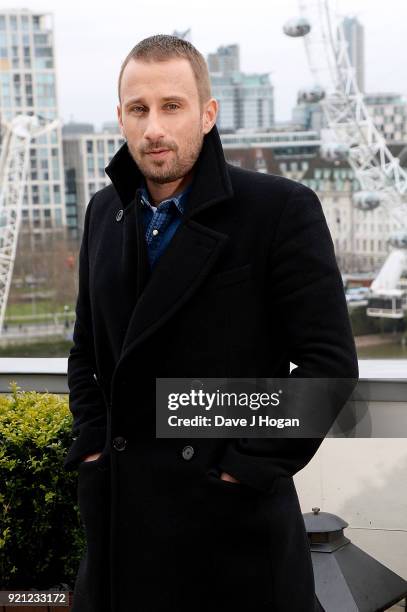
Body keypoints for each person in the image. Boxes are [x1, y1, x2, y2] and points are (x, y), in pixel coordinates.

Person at [63, 34, 359, 612]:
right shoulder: (104, 211)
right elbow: (85, 351)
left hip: (232, 534)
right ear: (120, 117)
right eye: (138, 108)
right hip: (122, 527)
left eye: (172, 106)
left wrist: (241, 468)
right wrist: (96, 443)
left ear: (207, 113)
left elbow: (327, 367)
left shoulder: (280, 209)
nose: (154, 128)